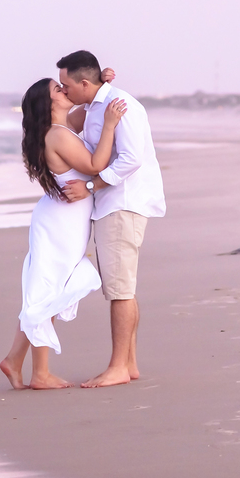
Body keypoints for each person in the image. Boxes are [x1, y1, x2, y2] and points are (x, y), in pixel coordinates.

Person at [0, 75, 127, 390]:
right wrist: (110, 126)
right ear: (49, 102)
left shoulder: (63, 126)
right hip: (60, 222)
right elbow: (97, 164)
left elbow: (89, 105)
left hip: (63, 219)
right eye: (58, 89)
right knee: (48, 289)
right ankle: (38, 373)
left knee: (46, 287)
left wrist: (103, 81)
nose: (64, 88)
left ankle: (15, 360)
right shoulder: (57, 134)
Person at [58, 50, 165, 388]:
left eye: (66, 85)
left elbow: (131, 159)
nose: (63, 91)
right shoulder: (94, 107)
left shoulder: (120, 105)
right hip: (112, 203)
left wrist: (91, 185)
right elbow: (64, 122)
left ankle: (118, 366)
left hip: (122, 203)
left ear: (85, 83)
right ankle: (128, 363)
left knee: (119, 289)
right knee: (122, 287)